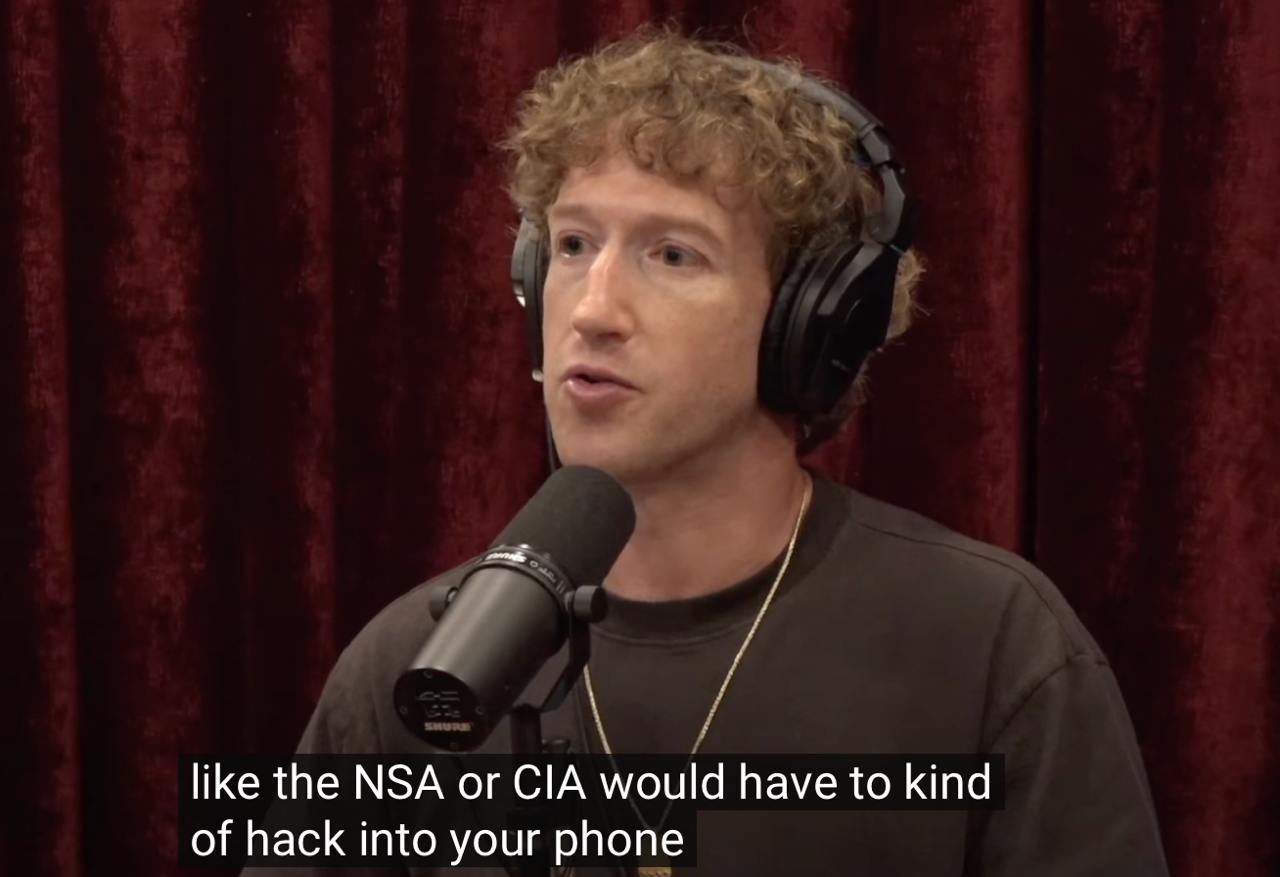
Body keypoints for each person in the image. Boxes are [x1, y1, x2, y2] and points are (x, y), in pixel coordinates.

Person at [267, 28, 1169, 876]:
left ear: (813, 323)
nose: (593, 310)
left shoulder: (990, 644)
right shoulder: (417, 667)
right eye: (573, 245)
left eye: (672, 255)